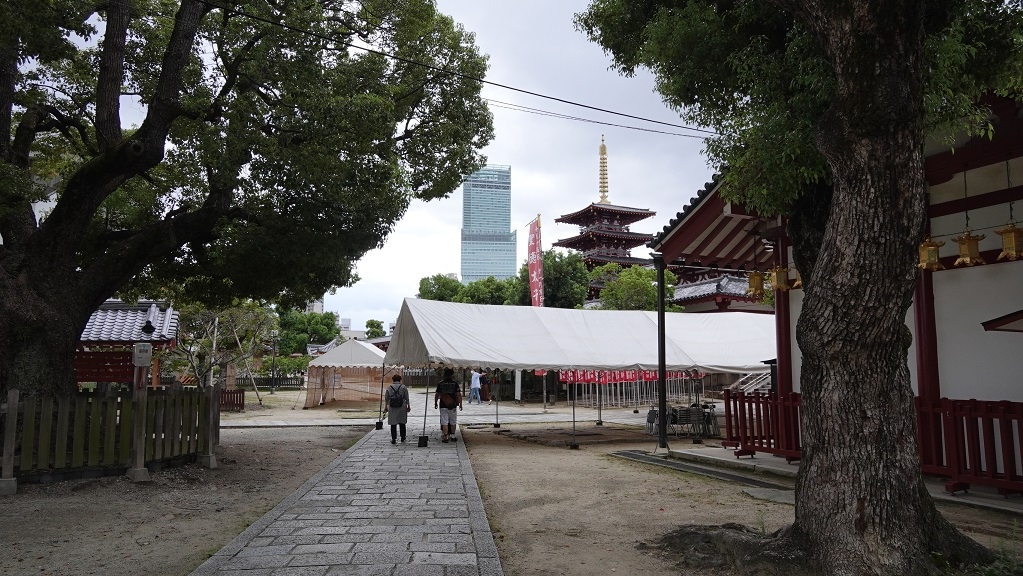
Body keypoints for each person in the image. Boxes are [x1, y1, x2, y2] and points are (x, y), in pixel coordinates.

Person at [434, 368, 463, 443]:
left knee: (444, 421)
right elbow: (458, 395)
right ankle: (453, 436)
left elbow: (437, 394)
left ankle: (446, 436)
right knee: (453, 421)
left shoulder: (441, 383)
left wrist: (436, 403)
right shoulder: (455, 383)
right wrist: (460, 404)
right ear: (452, 375)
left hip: (443, 404)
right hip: (453, 404)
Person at [383, 374, 410, 444]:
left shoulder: (389, 387)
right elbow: (407, 398)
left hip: (392, 406)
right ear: (400, 379)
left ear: (393, 379)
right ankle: (403, 437)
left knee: (393, 422)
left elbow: (386, 398)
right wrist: (408, 406)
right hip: (402, 406)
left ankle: (394, 438)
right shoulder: (403, 387)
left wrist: (386, 407)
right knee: (402, 422)